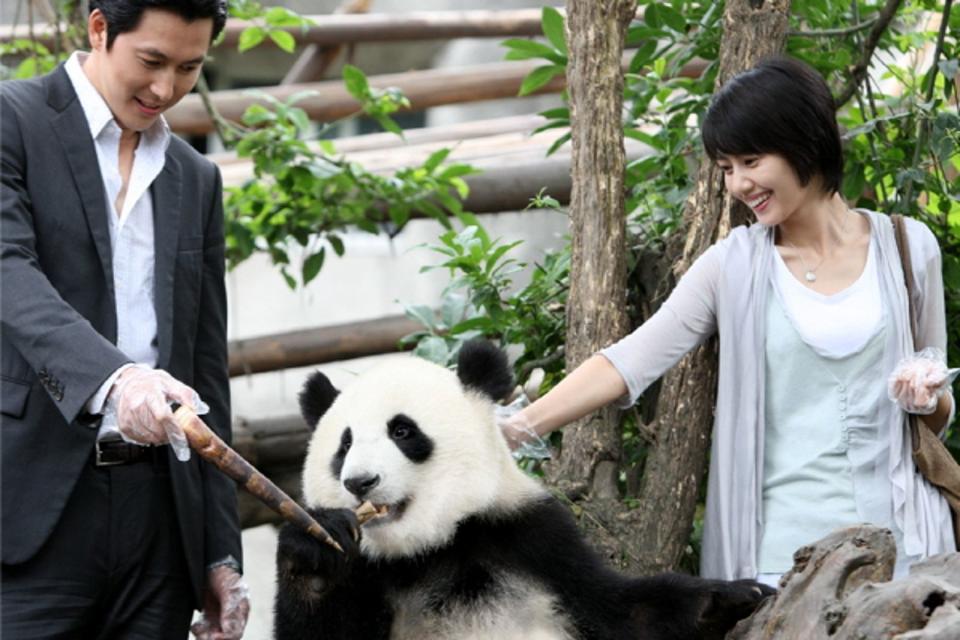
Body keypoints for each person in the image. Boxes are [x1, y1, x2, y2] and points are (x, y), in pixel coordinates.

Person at [500, 56, 956, 585]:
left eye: (751, 160)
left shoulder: (907, 247)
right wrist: (515, 429)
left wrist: (927, 394)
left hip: (912, 551)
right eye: (726, 169)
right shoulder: (732, 266)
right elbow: (627, 362)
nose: (738, 184)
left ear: (804, 142)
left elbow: (939, 408)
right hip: (783, 561)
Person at [1, 1, 249, 637]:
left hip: (160, 523)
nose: (166, 89)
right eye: (152, 61)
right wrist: (119, 379)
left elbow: (203, 367)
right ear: (99, 28)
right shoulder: (11, 118)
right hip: (26, 508)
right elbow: (8, 274)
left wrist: (219, 552)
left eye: (190, 67)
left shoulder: (196, 178)